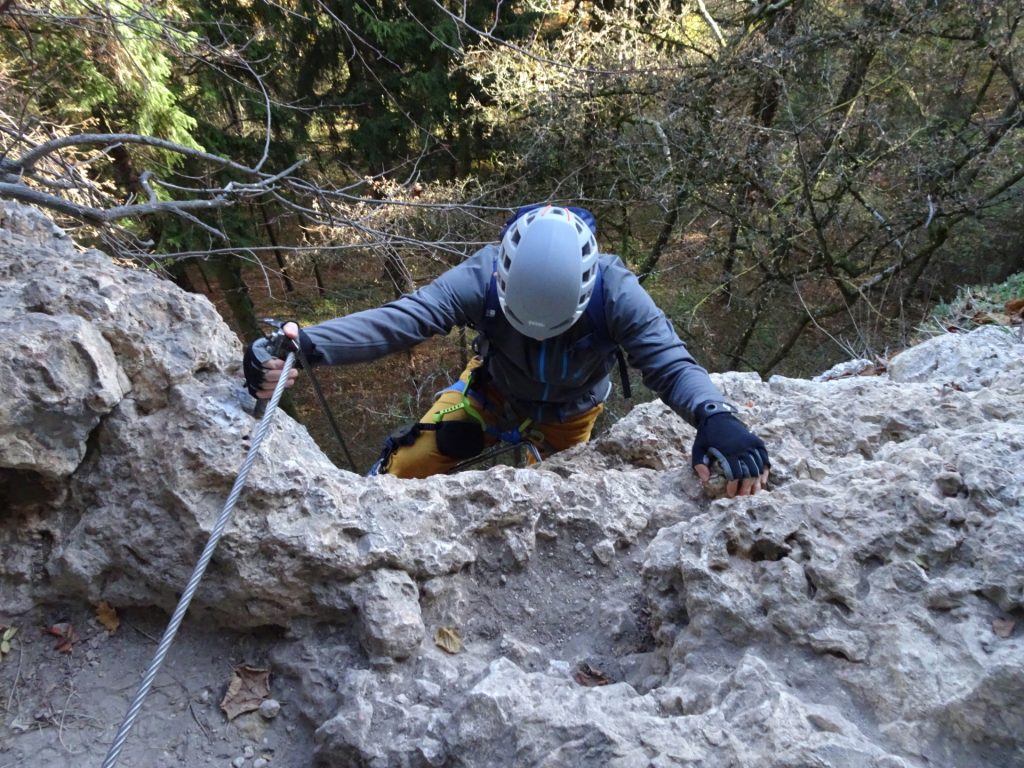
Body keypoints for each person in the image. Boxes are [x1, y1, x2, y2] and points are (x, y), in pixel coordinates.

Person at [244, 204, 770, 495]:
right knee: (405, 466)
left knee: (556, 500)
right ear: (503, 277)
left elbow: (670, 364)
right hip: (490, 395)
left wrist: (715, 416)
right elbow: (406, 320)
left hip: (571, 413)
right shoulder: (483, 273)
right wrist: (307, 343)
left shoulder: (617, 290)